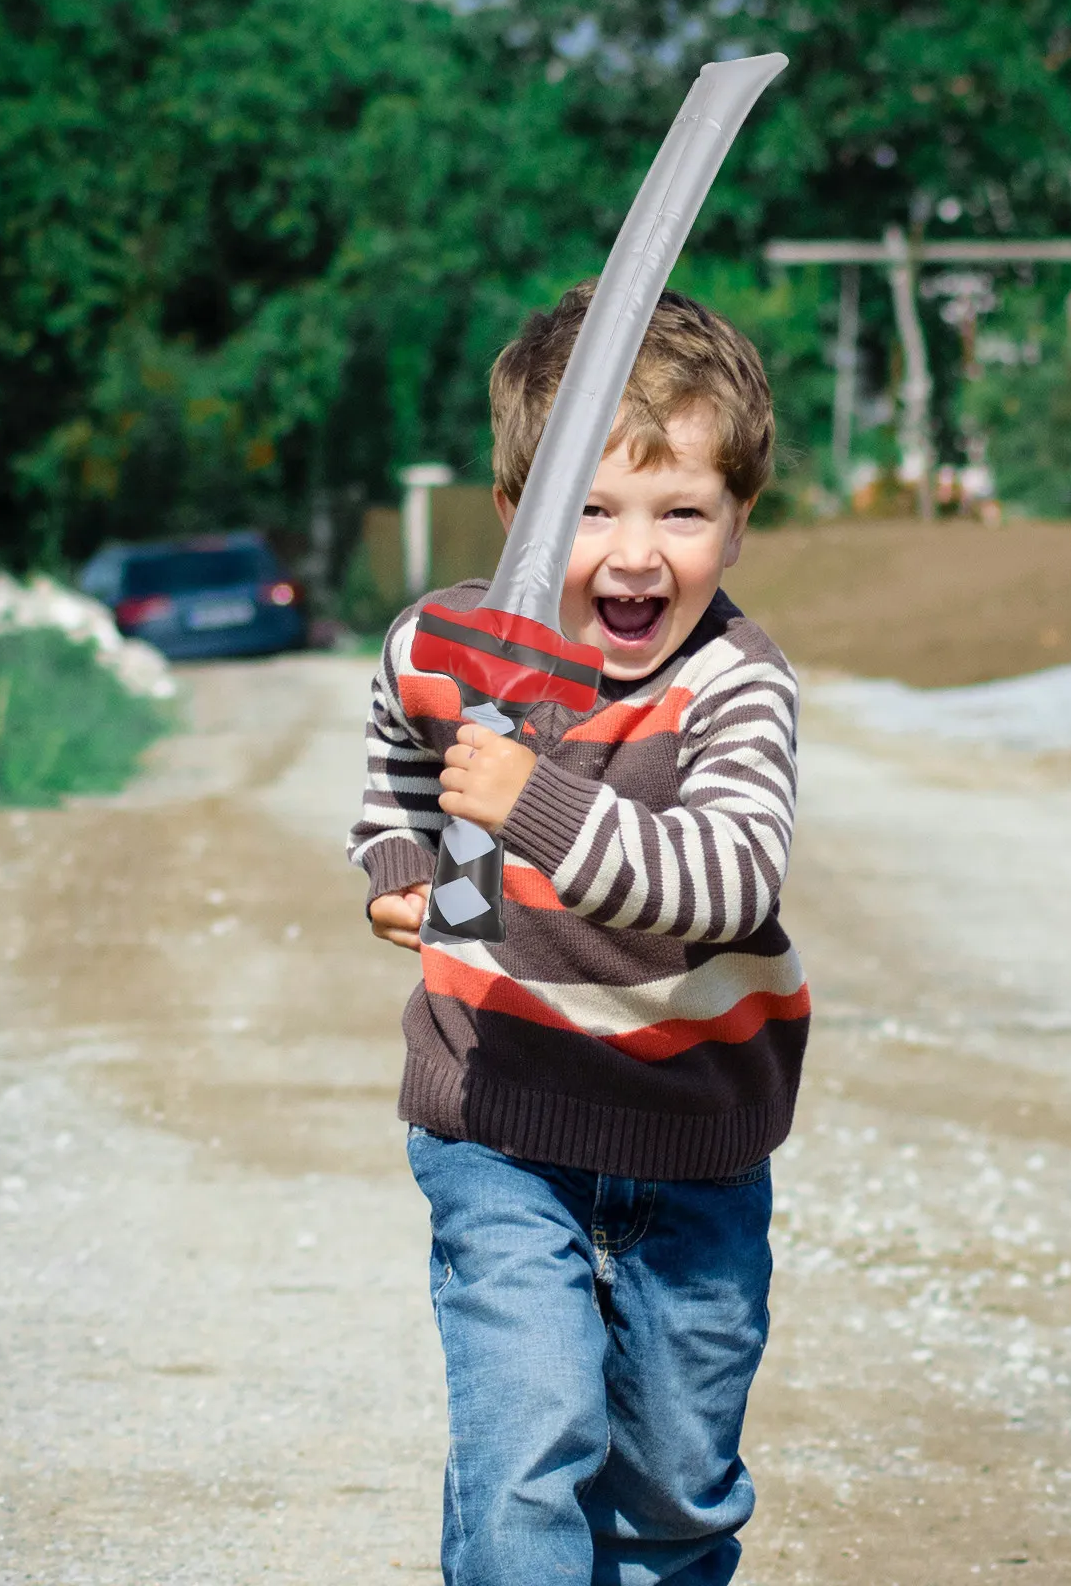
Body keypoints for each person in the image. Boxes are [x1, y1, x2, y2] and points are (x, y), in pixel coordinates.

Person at [346, 280, 809, 1586]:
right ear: (517, 515)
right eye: (591, 509)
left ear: (739, 521)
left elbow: (723, 879)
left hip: (689, 1138)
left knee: (673, 1493)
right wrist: (399, 854)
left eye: (683, 512)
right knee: (526, 1450)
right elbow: (396, 733)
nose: (634, 554)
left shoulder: (735, 688)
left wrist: (530, 804)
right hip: (500, 1116)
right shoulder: (453, 646)